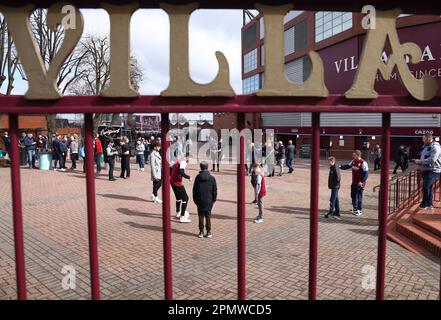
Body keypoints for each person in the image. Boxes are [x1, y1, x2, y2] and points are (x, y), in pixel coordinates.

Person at [412, 133, 441, 210]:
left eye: (424, 139)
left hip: (433, 170)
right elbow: (422, 156)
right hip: (426, 169)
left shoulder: (435, 147)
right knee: (429, 187)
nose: (423, 140)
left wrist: (419, 161)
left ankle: (424, 204)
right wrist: (417, 160)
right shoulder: (426, 146)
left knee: (426, 186)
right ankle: (429, 204)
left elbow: (432, 159)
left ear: (428, 139)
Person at [193, 161, 217, 238]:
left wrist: (195, 200)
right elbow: (214, 190)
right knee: (208, 216)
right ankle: (209, 231)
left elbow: (194, 190)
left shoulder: (197, 177)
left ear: (201, 167)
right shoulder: (212, 178)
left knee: (200, 216)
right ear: (207, 167)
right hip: (209, 200)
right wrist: (214, 199)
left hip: (200, 200)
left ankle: (201, 231)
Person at [340, 150, 368, 216]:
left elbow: (366, 174)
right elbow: (347, 166)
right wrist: (339, 167)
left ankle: (359, 210)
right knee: (353, 195)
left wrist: (361, 182)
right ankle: (355, 208)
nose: (353, 156)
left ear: (358, 155)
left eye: (354, 155)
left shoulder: (363, 163)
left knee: (359, 196)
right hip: (354, 182)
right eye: (353, 155)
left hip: (360, 183)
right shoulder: (353, 161)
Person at [171, 155, 192, 223]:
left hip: (172, 181)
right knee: (185, 198)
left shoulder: (177, 160)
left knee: (178, 198)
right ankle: (182, 217)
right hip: (177, 183)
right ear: (187, 157)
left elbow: (170, 168)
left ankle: (178, 213)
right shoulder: (183, 162)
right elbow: (181, 172)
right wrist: (189, 177)